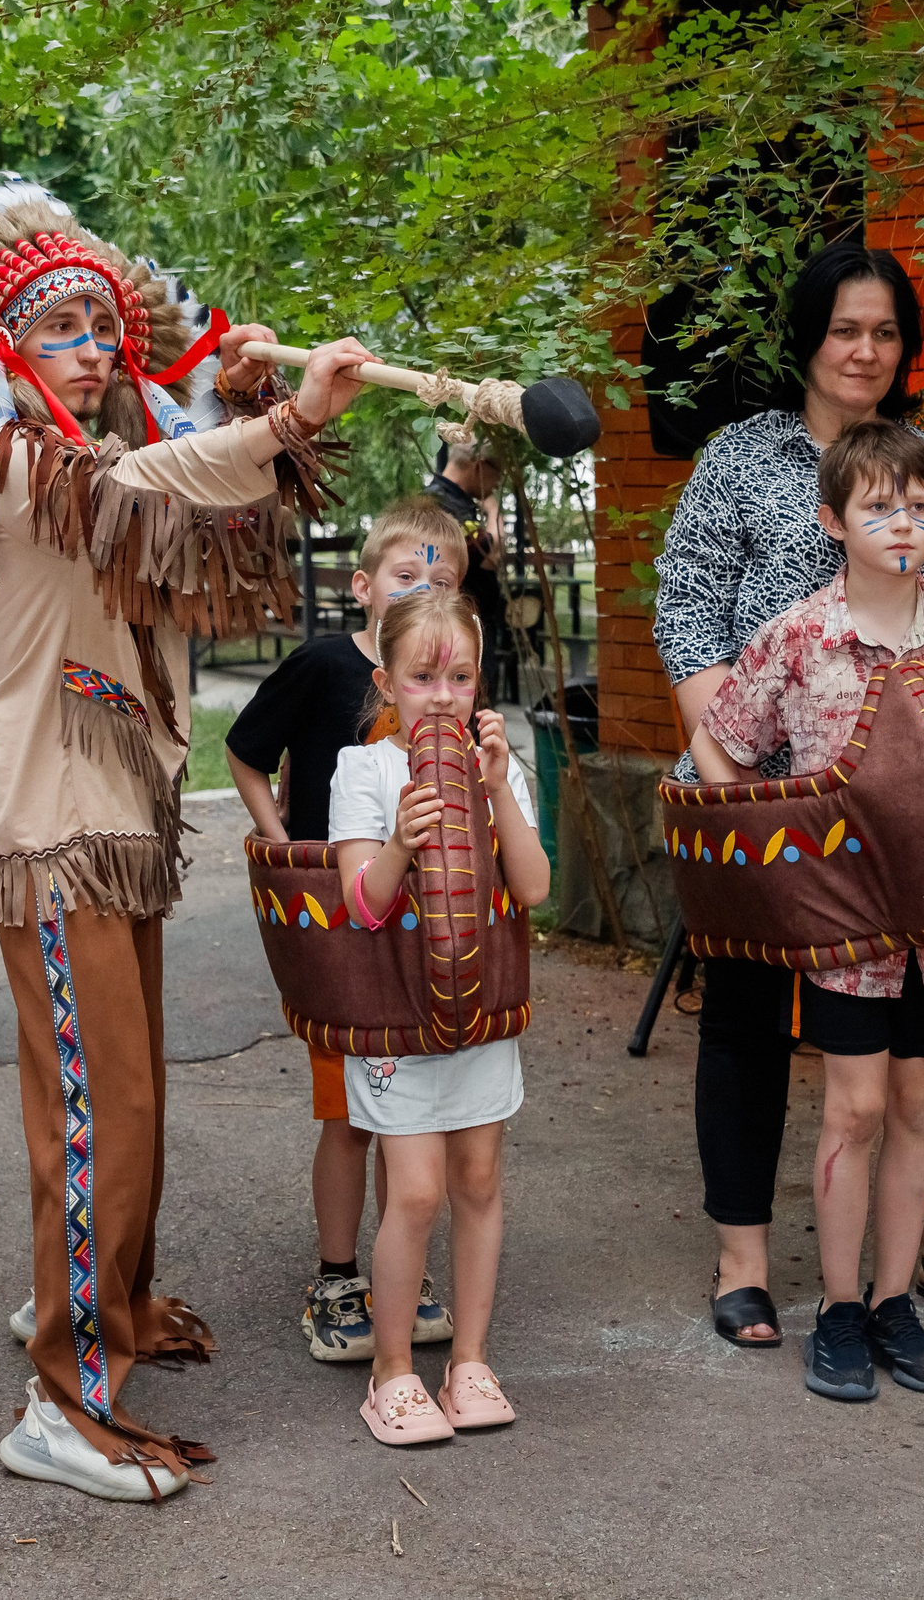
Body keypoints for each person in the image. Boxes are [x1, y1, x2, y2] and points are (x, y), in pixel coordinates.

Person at [0, 178, 377, 1501]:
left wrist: (250, 408)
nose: (97, 345)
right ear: (1, 354)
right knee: (98, 1117)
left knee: (133, 1091)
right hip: (56, 834)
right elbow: (146, 478)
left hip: (120, 831)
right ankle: (63, 1394)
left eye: (107, 325)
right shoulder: (16, 465)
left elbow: (222, 527)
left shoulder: (104, 470)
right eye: (65, 327)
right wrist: (276, 415)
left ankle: (121, 1304)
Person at [652, 240, 924, 1349]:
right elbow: (686, 611)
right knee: (748, 1021)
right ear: (807, 337)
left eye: (884, 332)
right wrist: (753, 791)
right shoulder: (738, 460)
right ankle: (745, 1260)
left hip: (902, 813)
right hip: (757, 795)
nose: (864, 350)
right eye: (844, 328)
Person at [225, 495, 468, 1363]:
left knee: (414, 1109)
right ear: (365, 584)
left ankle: (399, 1266)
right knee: (349, 1111)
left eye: (442, 576)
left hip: (432, 924)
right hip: (345, 921)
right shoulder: (327, 666)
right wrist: (282, 842)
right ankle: (337, 1275)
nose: (424, 586)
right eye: (407, 573)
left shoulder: (450, 691)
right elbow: (246, 749)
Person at [327, 588, 551, 1444]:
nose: (446, 694)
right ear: (387, 681)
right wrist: (399, 844)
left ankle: (470, 1359)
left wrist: (496, 793)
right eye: (424, 677)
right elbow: (361, 904)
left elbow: (530, 888)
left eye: (461, 675)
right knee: (414, 1193)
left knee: (480, 1183)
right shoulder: (366, 771)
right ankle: (390, 1372)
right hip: (396, 1017)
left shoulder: (503, 768)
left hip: (482, 1017)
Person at [424, 430, 511, 698]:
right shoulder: (449, 509)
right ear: (479, 465)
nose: (497, 482)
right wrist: (494, 510)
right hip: (460, 627)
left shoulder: (437, 499)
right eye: (497, 472)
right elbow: (492, 555)